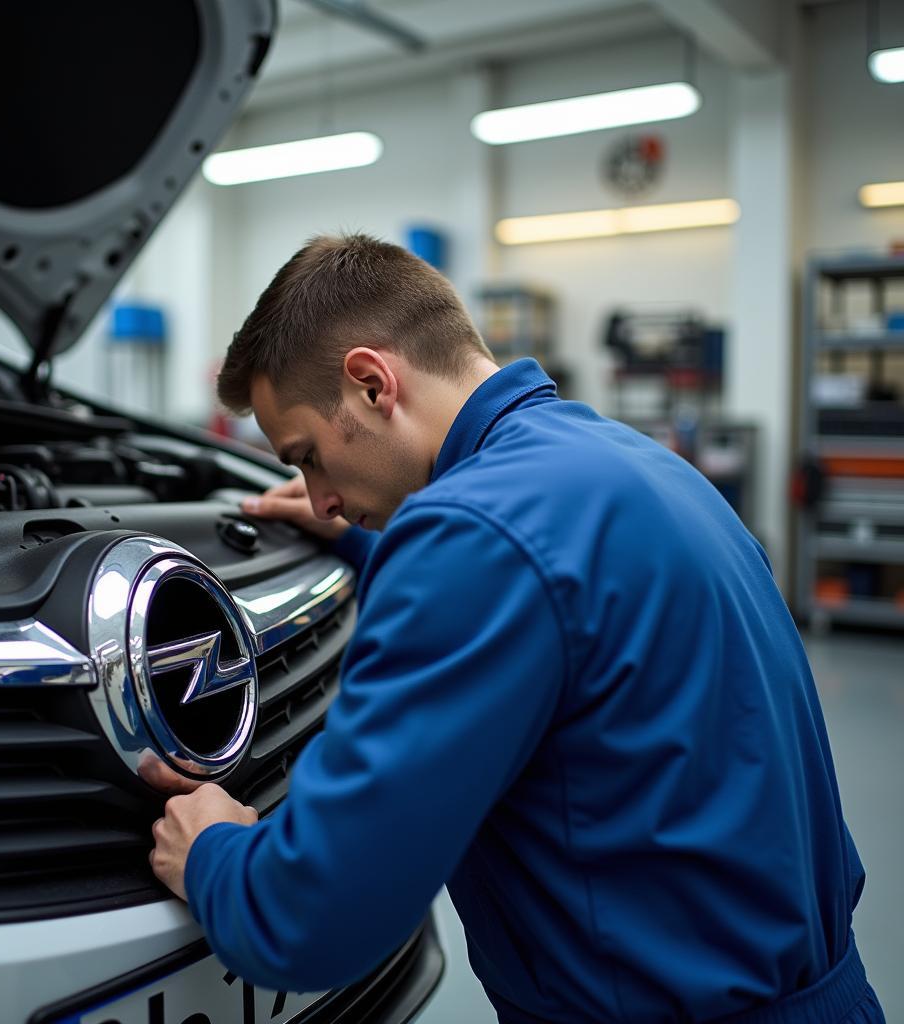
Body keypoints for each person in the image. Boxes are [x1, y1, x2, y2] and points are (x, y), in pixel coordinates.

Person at [147, 234, 884, 1023]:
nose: (318, 497)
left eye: (309, 456)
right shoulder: (634, 464)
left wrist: (216, 854)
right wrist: (372, 537)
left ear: (370, 384)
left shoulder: (469, 539)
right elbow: (551, 580)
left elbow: (312, 918)